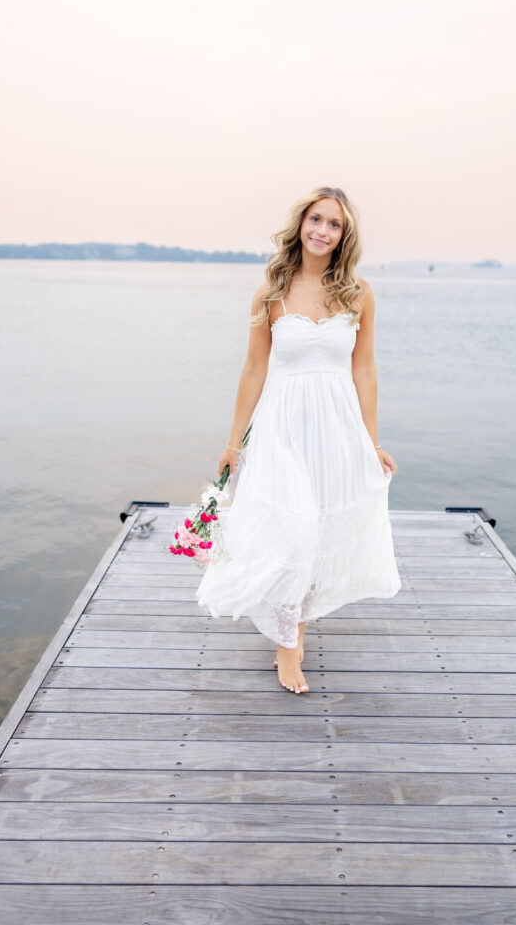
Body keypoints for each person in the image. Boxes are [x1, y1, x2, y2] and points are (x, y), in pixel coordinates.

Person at [196, 186, 402, 695]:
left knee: (319, 535)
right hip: (281, 426)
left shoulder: (359, 293)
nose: (322, 231)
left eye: (334, 224)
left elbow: (366, 370)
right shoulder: (272, 289)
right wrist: (233, 444)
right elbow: (253, 369)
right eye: (316, 219)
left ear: (343, 235)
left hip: (336, 429)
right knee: (292, 530)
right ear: (301, 223)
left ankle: (293, 635)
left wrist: (370, 442)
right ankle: (289, 648)